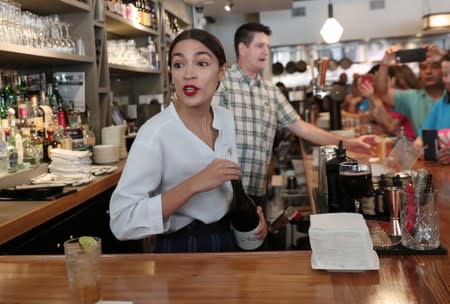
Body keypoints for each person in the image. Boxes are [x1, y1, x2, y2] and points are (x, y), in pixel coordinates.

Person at [109, 29, 267, 253]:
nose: (188, 74)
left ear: (222, 71)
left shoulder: (225, 118)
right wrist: (194, 184)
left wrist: (247, 215)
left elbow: (224, 190)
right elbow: (122, 221)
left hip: (227, 241)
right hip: (182, 248)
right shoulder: (154, 133)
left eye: (201, 63)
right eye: (179, 65)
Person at [213, 22, 375, 204]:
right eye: (260, 46)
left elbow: (302, 128)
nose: (266, 52)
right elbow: (206, 135)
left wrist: (349, 144)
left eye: (267, 46)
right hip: (224, 190)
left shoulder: (270, 90)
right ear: (242, 48)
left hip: (257, 190)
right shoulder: (222, 83)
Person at [374, 44, 446, 135]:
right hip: (424, 147)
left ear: (444, 70)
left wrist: (445, 57)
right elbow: (382, 93)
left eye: (435, 66)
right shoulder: (412, 97)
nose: (428, 71)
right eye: (423, 67)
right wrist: (384, 65)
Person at [414, 50, 450, 164]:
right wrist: (423, 151)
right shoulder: (441, 105)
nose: (448, 80)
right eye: (445, 75)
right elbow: (419, 142)